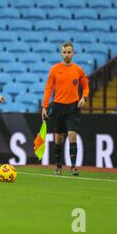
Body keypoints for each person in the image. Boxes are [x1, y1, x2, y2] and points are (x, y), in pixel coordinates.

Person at [41, 42, 89, 176]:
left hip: (72, 107)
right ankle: (58, 166)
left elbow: (86, 86)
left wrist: (84, 98)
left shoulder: (78, 70)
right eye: (65, 52)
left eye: (69, 52)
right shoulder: (54, 69)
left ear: (73, 53)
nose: (67, 54)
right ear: (61, 53)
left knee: (72, 135)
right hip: (58, 107)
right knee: (58, 139)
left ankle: (73, 167)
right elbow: (48, 89)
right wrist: (44, 107)